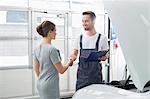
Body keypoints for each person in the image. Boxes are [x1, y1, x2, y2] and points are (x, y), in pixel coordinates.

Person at [70, 11, 109, 91]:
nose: (84, 23)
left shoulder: (102, 38)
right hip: (82, 78)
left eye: (87, 21)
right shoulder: (79, 38)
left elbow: (106, 56)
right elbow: (74, 53)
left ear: (93, 21)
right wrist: (72, 58)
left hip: (96, 77)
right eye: (83, 21)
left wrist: (103, 57)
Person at [33, 20, 73, 99]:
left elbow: (36, 70)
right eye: (55, 30)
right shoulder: (52, 50)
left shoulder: (36, 49)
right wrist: (69, 62)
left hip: (40, 84)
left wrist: (43, 78)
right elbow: (61, 70)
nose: (56, 33)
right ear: (49, 32)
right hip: (50, 86)